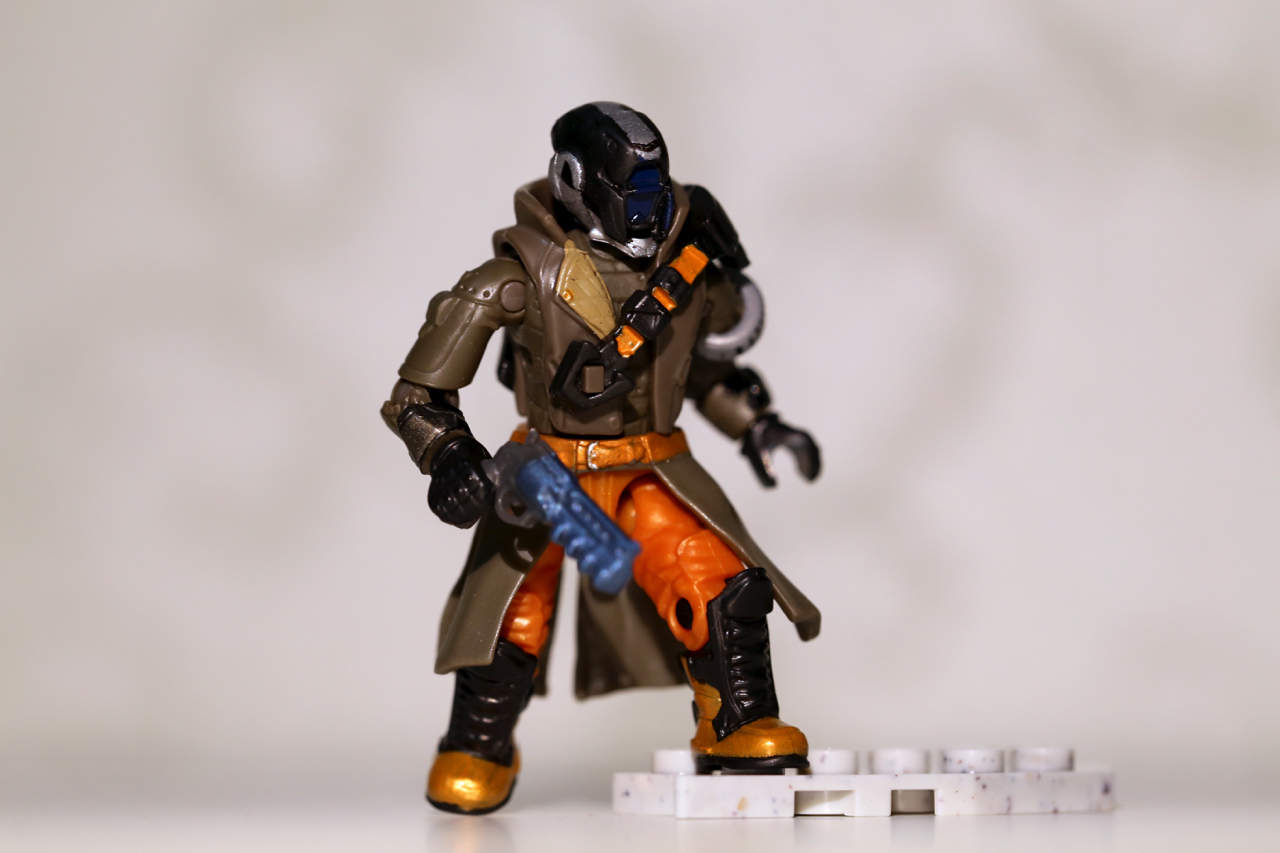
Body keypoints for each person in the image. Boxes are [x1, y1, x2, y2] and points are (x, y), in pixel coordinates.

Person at [382, 102, 823, 814]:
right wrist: (451, 454)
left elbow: (705, 372)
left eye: (653, 190)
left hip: (650, 464)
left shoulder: (687, 264)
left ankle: (735, 721)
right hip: (545, 471)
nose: (645, 211)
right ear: (575, 181)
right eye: (631, 193)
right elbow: (418, 394)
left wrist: (759, 427)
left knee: (716, 577)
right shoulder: (514, 276)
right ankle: (478, 742)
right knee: (510, 610)